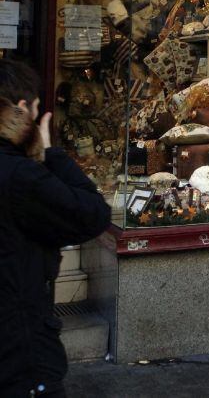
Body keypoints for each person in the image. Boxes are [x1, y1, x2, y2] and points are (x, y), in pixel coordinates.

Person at [0, 59, 111, 397]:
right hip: (19, 355)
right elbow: (92, 214)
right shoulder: (20, 177)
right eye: (36, 109)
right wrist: (52, 154)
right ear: (23, 110)